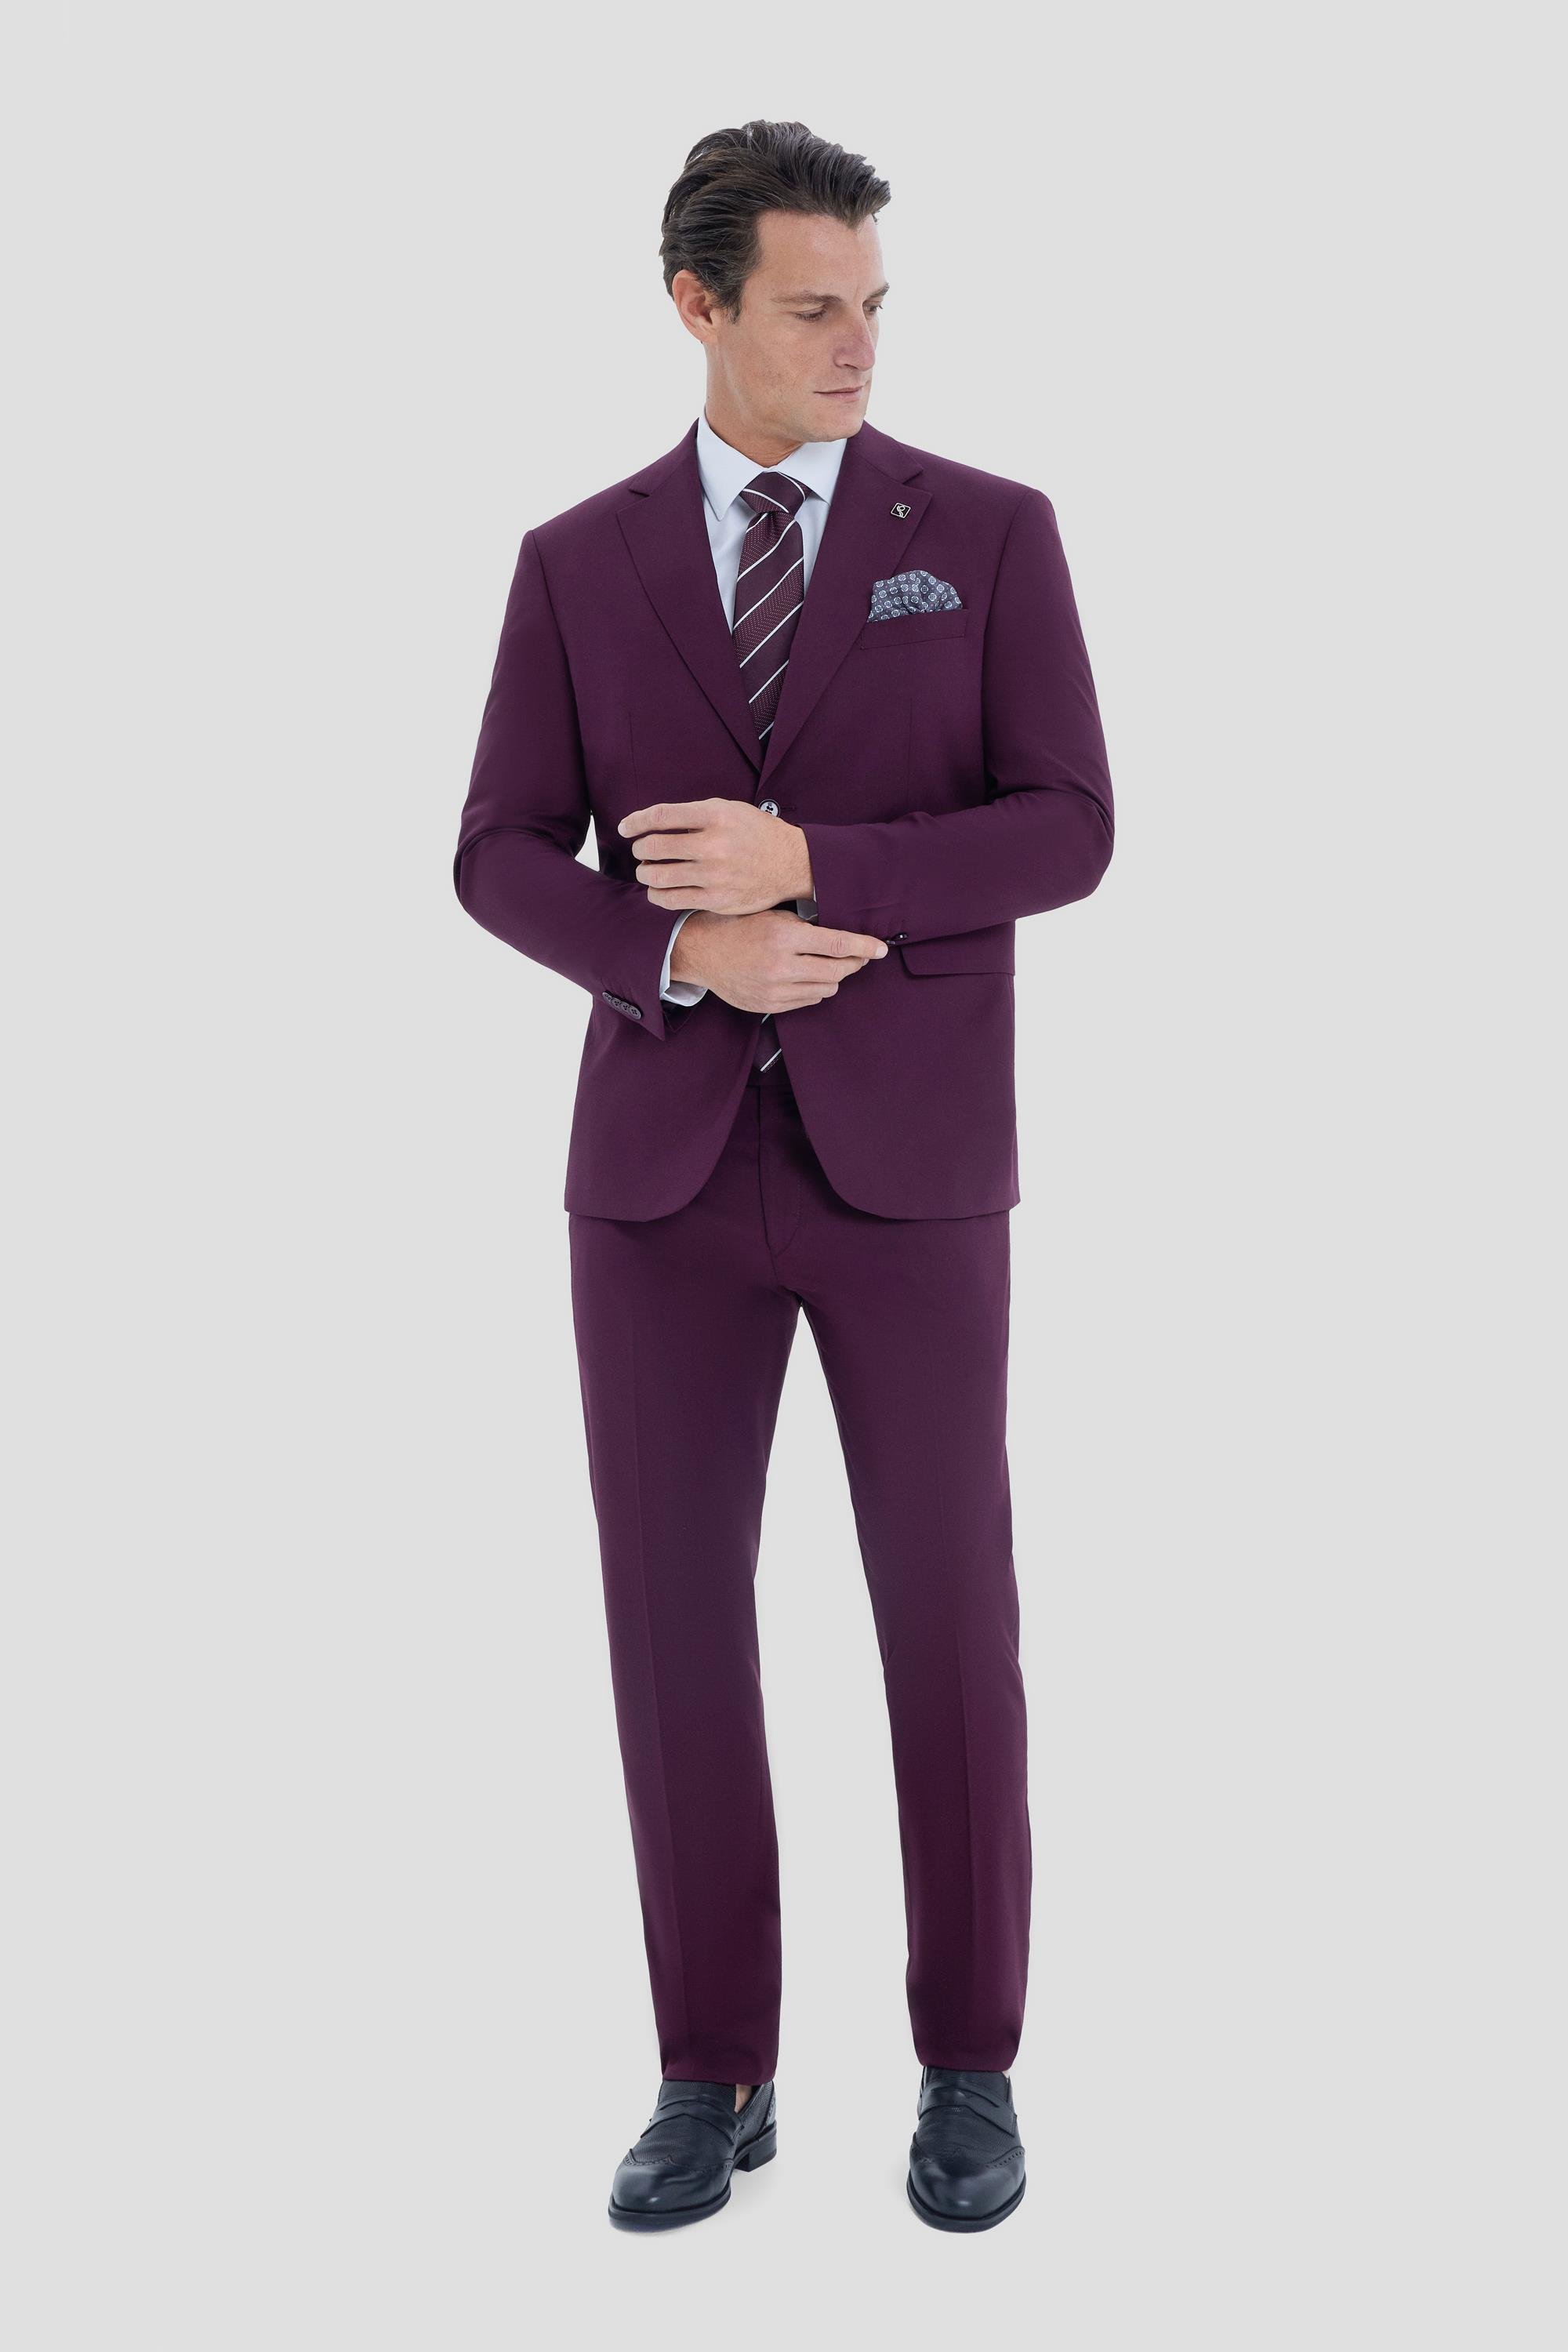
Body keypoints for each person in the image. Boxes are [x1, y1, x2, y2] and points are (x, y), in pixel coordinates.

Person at [452, 117, 1114, 2233]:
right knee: (671, 1628)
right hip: (656, 1183)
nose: (858, 345)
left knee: (948, 1616)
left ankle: (970, 2063)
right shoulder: (578, 559)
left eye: (875, 307)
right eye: (813, 307)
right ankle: (709, 2068)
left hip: (913, 1172)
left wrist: (817, 866)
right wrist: (676, 956)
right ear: (697, 304)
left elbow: (1071, 827)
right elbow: (495, 852)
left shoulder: (985, 533)